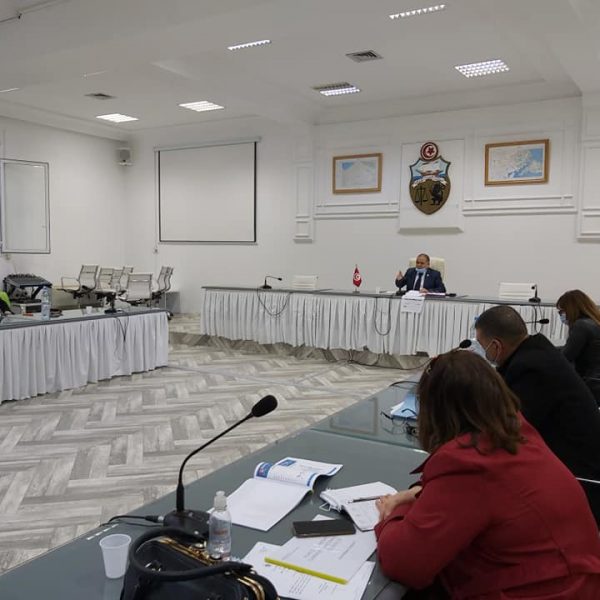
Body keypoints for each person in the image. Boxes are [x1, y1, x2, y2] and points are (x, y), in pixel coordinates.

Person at [375, 351, 600, 599]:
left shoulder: (467, 462)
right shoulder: (514, 433)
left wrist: (393, 511)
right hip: (575, 581)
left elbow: (405, 564)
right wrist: (416, 494)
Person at [474, 305, 600, 526]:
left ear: (497, 346)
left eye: (482, 345)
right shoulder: (535, 352)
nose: (482, 351)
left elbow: (510, 429)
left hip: (579, 479)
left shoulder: (531, 368)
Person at [556, 289, 600, 405]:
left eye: (561, 312)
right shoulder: (595, 323)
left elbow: (565, 357)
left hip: (590, 384)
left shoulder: (580, 326)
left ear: (570, 309)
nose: (561, 315)